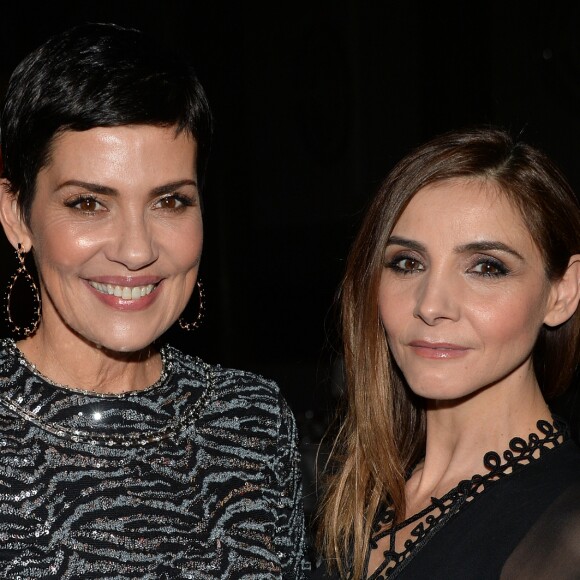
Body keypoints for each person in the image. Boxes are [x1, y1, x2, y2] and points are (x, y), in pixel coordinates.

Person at [0, 23, 309, 578]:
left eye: (170, 201)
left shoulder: (253, 421)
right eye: (89, 204)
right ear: (16, 215)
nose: (137, 250)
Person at [314, 127, 580, 579]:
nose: (431, 305)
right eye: (407, 263)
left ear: (562, 293)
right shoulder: (350, 496)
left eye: (486, 267)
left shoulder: (565, 529)